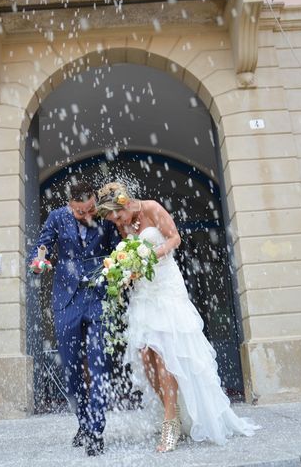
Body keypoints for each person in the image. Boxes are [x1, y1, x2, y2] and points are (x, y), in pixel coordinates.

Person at [96, 182, 261, 453]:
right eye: (113, 219)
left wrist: (148, 256)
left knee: (164, 353)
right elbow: (129, 252)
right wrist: (125, 269)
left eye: (117, 216)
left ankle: (170, 424)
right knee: (146, 356)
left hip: (165, 286)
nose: (117, 222)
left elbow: (174, 239)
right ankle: (174, 413)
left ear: (124, 204)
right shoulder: (122, 224)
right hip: (143, 291)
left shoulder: (151, 208)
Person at [28, 181, 119, 456]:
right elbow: (41, 247)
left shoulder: (104, 215)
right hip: (66, 301)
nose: (87, 216)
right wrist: (37, 262)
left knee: (99, 363)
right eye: (80, 212)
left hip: (98, 297)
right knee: (72, 370)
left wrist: (118, 267)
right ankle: (84, 422)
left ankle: (96, 430)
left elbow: (118, 249)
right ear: (70, 206)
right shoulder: (57, 217)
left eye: (90, 209)